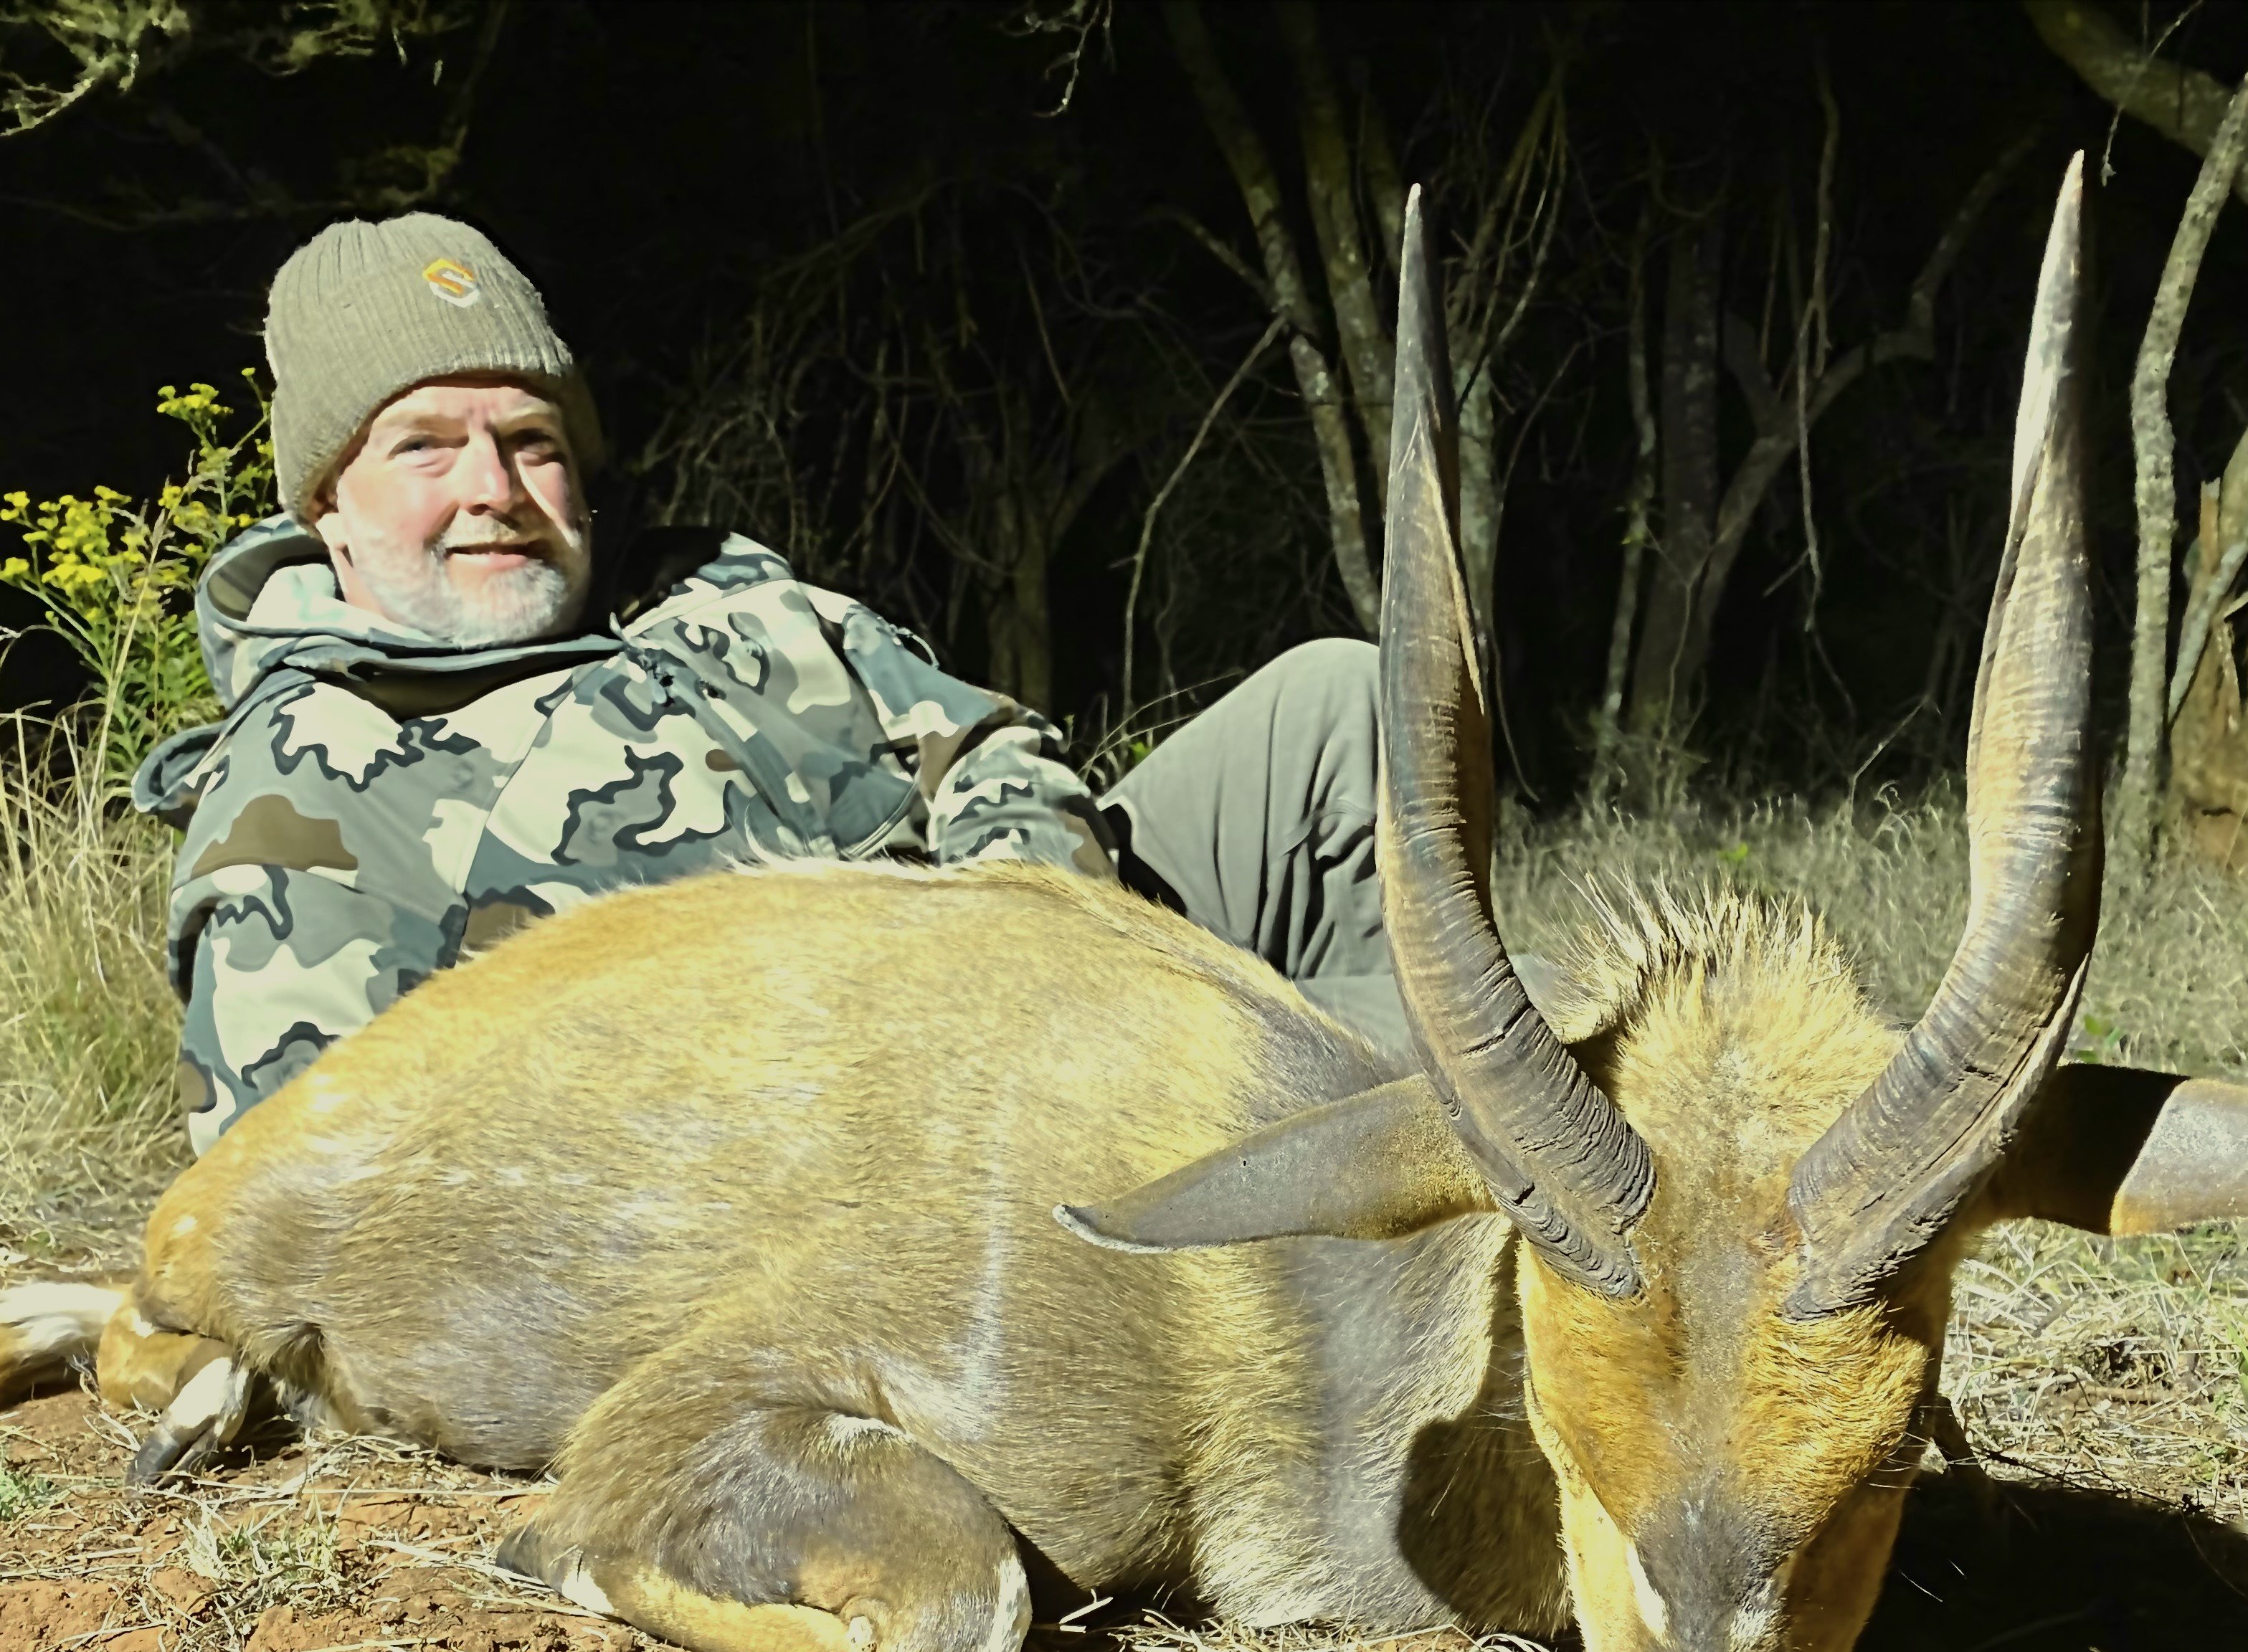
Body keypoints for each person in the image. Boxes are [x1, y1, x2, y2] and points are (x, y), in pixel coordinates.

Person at [135, 214, 1403, 1152]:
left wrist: (1039, 941)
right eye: (426, 448)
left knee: (1342, 706)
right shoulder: (298, 804)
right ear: (328, 508)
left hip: (1061, 976)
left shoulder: (716, 592)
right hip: (880, 1170)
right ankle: (1355, 1174)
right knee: (1426, 1073)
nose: (493, 490)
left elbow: (985, 745)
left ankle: (1393, 1191)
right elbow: (299, 1200)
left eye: (532, 442)